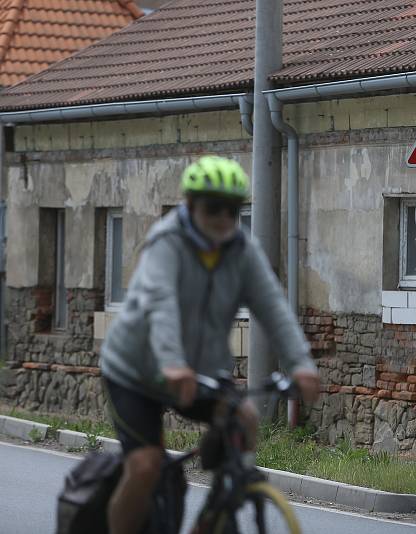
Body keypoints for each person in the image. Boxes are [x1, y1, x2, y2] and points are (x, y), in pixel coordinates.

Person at [99, 155, 319, 534]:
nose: (223, 218)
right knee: (147, 464)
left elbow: (273, 307)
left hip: (198, 372)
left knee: (244, 420)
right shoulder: (167, 243)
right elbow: (160, 302)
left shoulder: (241, 250)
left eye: (233, 209)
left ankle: (215, 513)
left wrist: (301, 364)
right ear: (190, 205)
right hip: (135, 371)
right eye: (213, 207)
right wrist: (172, 363)